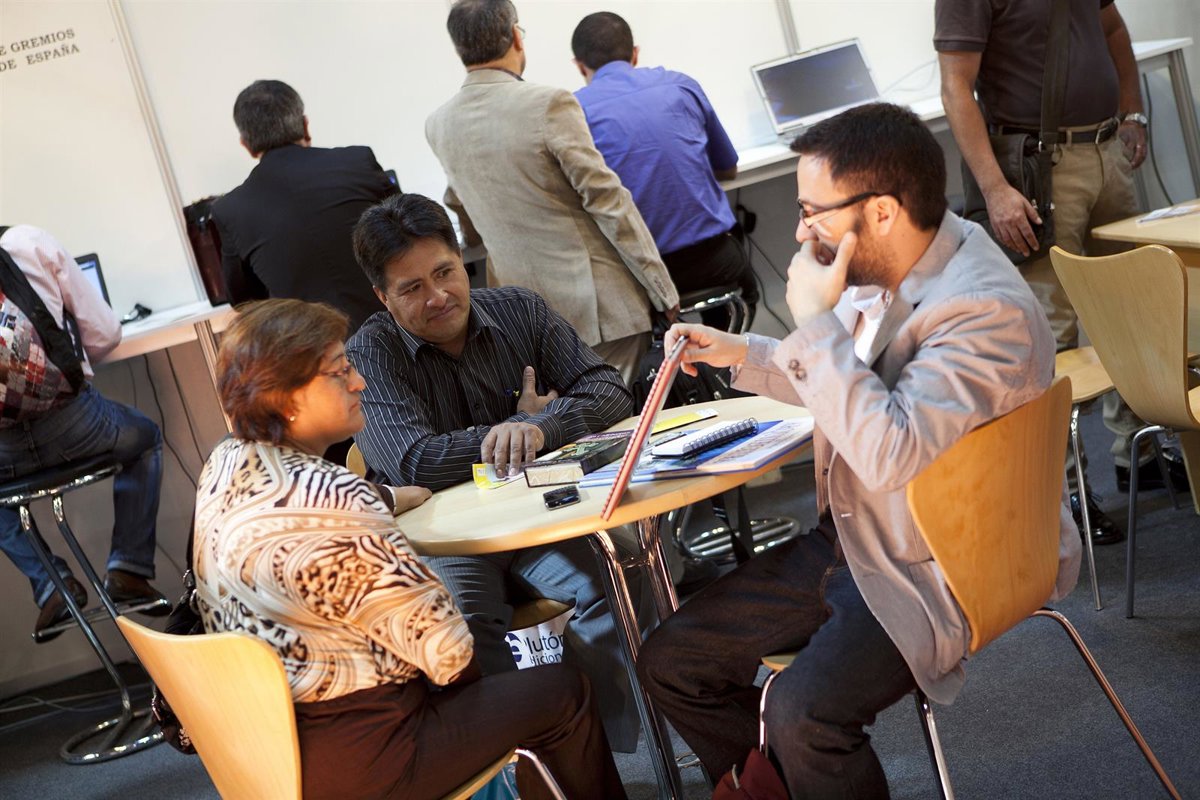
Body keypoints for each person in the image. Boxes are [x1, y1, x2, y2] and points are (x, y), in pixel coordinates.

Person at [636, 103, 1081, 798]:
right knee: (671, 662)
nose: (799, 230)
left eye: (812, 211)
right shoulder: (901, 260)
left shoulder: (981, 310)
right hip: (863, 534)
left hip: (948, 558)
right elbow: (847, 380)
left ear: (880, 211)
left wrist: (814, 320)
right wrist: (743, 353)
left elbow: (888, 451)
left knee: (802, 716)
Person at [193, 298, 627, 800]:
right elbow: (449, 654)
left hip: (269, 747)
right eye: (339, 372)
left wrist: (390, 497)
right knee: (561, 690)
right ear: (286, 397)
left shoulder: (225, 465)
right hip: (373, 755)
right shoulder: (340, 498)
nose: (359, 383)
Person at [346, 192, 647, 752]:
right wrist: (515, 424)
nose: (438, 297)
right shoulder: (369, 353)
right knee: (457, 625)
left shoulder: (519, 310)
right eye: (412, 288)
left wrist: (542, 426)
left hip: (538, 520)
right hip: (448, 542)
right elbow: (412, 461)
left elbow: (609, 391)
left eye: (445, 272)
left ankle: (591, 752)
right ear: (383, 297)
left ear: (463, 261)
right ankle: (522, 764)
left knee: (622, 576)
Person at [936, 0, 1179, 545]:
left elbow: (1111, 26)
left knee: (1130, 312)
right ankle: (1067, 494)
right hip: (1039, 170)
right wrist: (996, 190)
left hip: (1107, 151)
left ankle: (1137, 452)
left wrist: (1133, 112)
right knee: (1052, 338)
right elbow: (956, 88)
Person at [425, 0, 679, 385]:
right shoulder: (547, 104)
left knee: (576, 421)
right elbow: (609, 202)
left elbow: (458, 203)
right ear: (515, 36)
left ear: (459, 49)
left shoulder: (438, 124)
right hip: (598, 312)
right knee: (624, 414)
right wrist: (663, 291)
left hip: (523, 324)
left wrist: (479, 237)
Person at [0, 224, 168, 641]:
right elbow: (105, 335)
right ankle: (127, 569)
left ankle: (51, 585)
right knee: (144, 439)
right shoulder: (26, 242)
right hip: (76, 427)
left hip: (3, 456)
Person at [571, 11, 757, 332]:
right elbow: (728, 169)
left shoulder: (573, 112)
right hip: (714, 260)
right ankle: (722, 354)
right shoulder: (680, 85)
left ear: (579, 65)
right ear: (635, 53)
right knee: (747, 293)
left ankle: (680, 362)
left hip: (643, 277)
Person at [211, 79, 396, 335]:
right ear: (305, 125)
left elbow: (244, 301)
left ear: (247, 145)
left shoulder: (230, 209)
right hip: (400, 333)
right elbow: (408, 231)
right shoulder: (358, 161)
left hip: (315, 349)